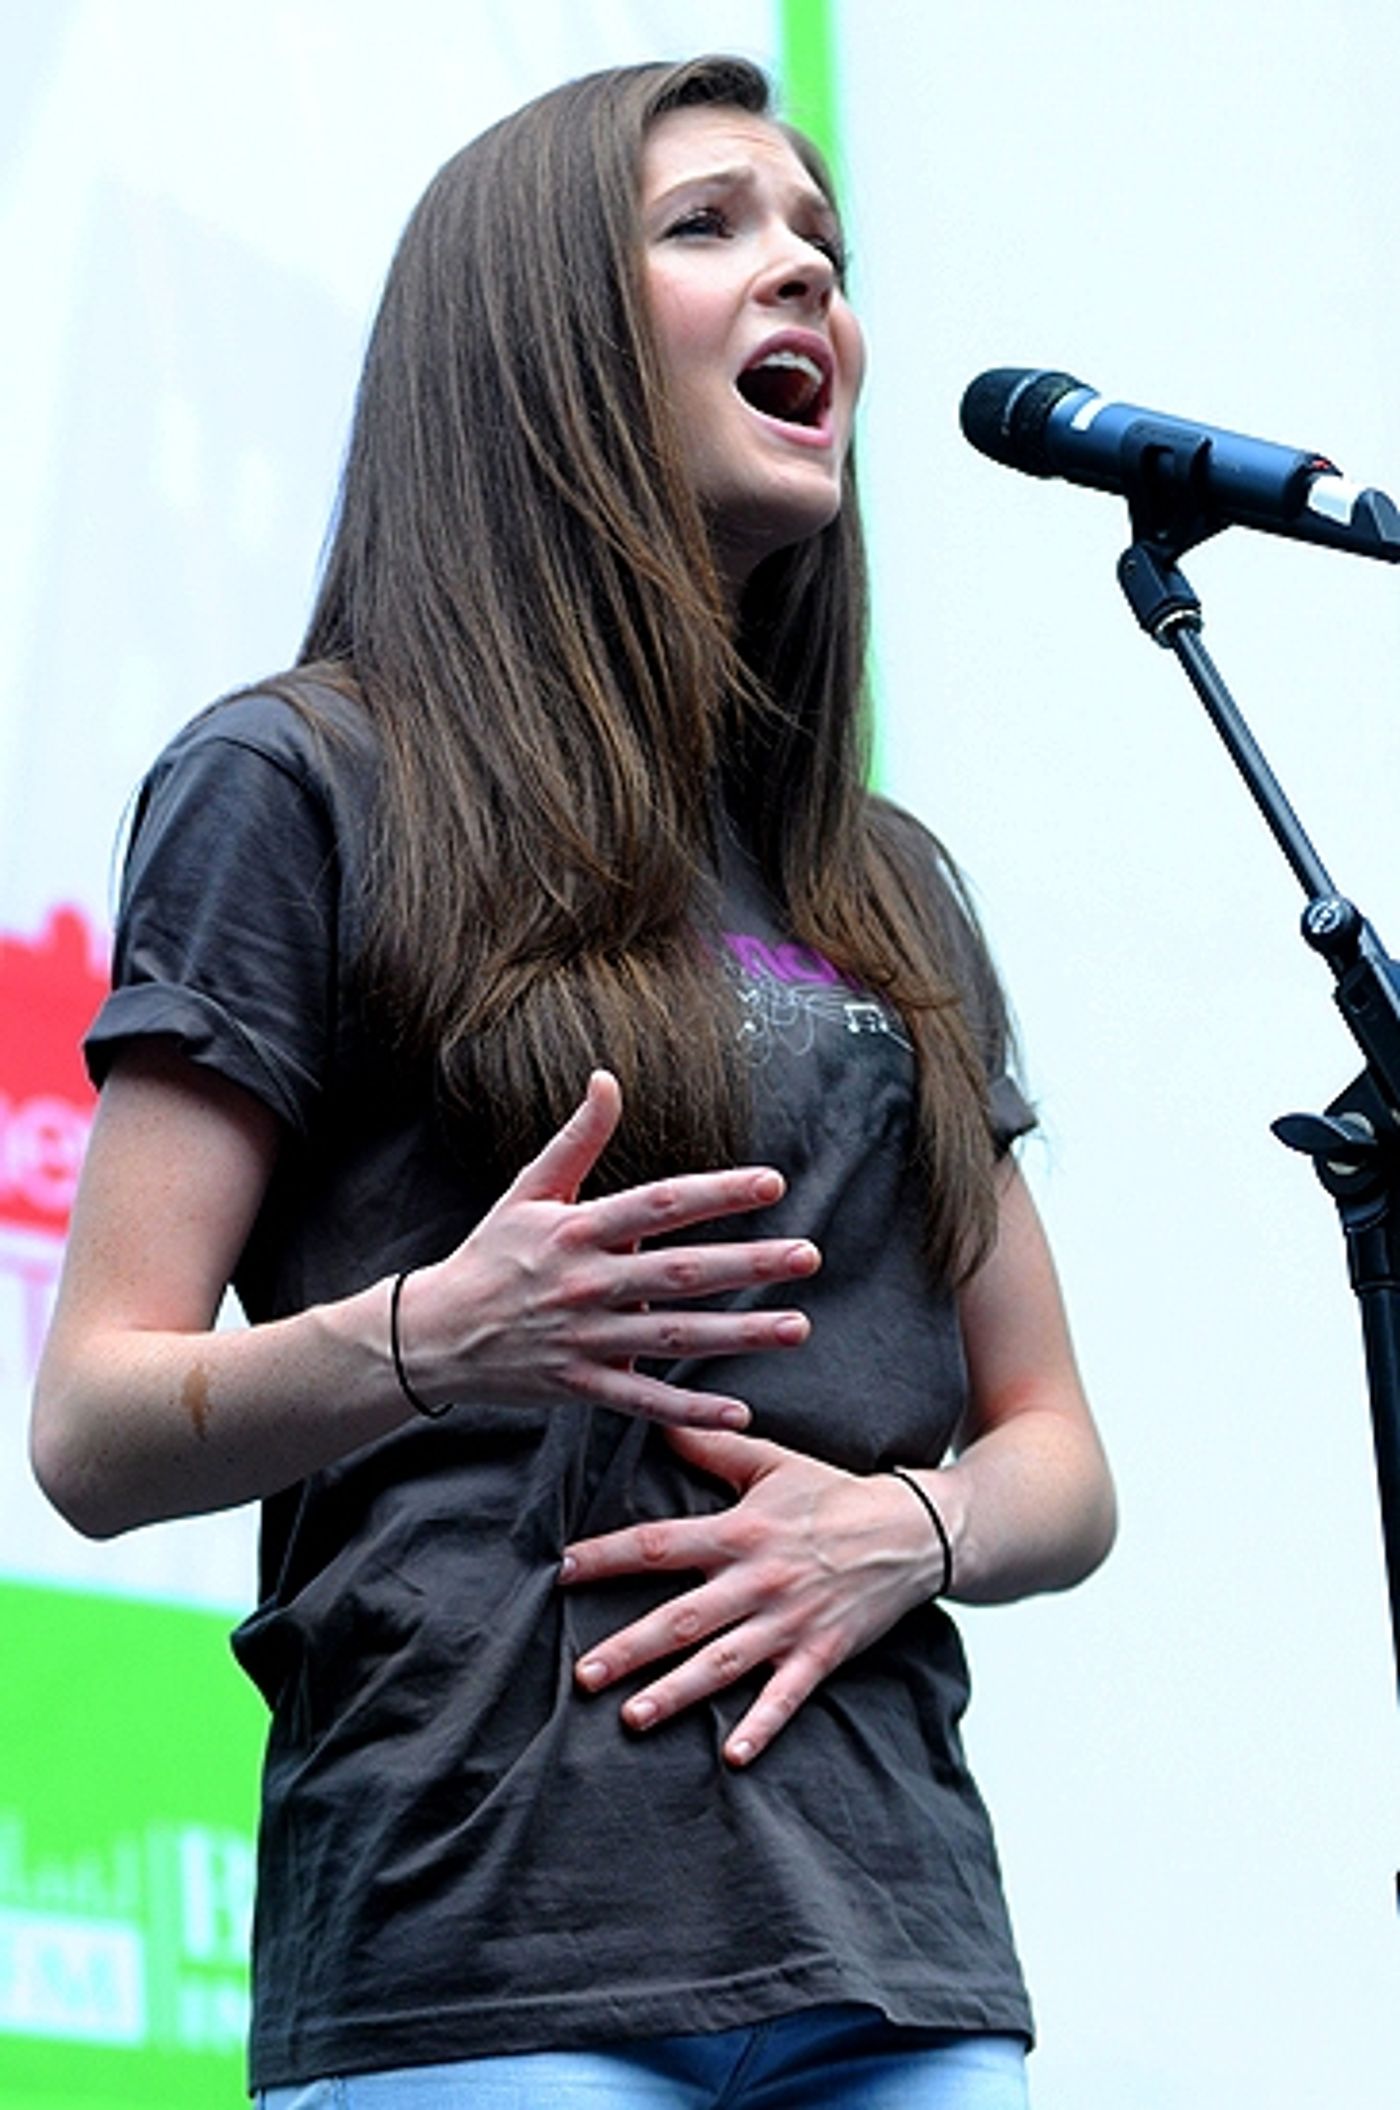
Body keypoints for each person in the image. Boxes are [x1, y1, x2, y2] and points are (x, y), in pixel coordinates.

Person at [29, 53, 1116, 2110]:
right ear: (535, 337)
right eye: (711, 225)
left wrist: (907, 1524)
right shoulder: (299, 780)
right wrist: (439, 1333)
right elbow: (94, 1420)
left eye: (822, 241)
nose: (804, 273)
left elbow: (1056, 1448)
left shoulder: (879, 878)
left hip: (896, 1952)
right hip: (484, 1951)